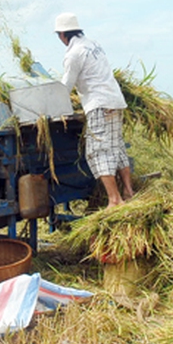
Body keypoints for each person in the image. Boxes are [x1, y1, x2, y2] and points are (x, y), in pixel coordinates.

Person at [55, 12, 134, 208]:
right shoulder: (93, 44)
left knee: (97, 151)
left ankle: (115, 200)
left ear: (63, 35)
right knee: (116, 146)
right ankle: (128, 191)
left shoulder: (73, 54)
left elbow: (66, 86)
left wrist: (53, 105)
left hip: (99, 104)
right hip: (115, 100)